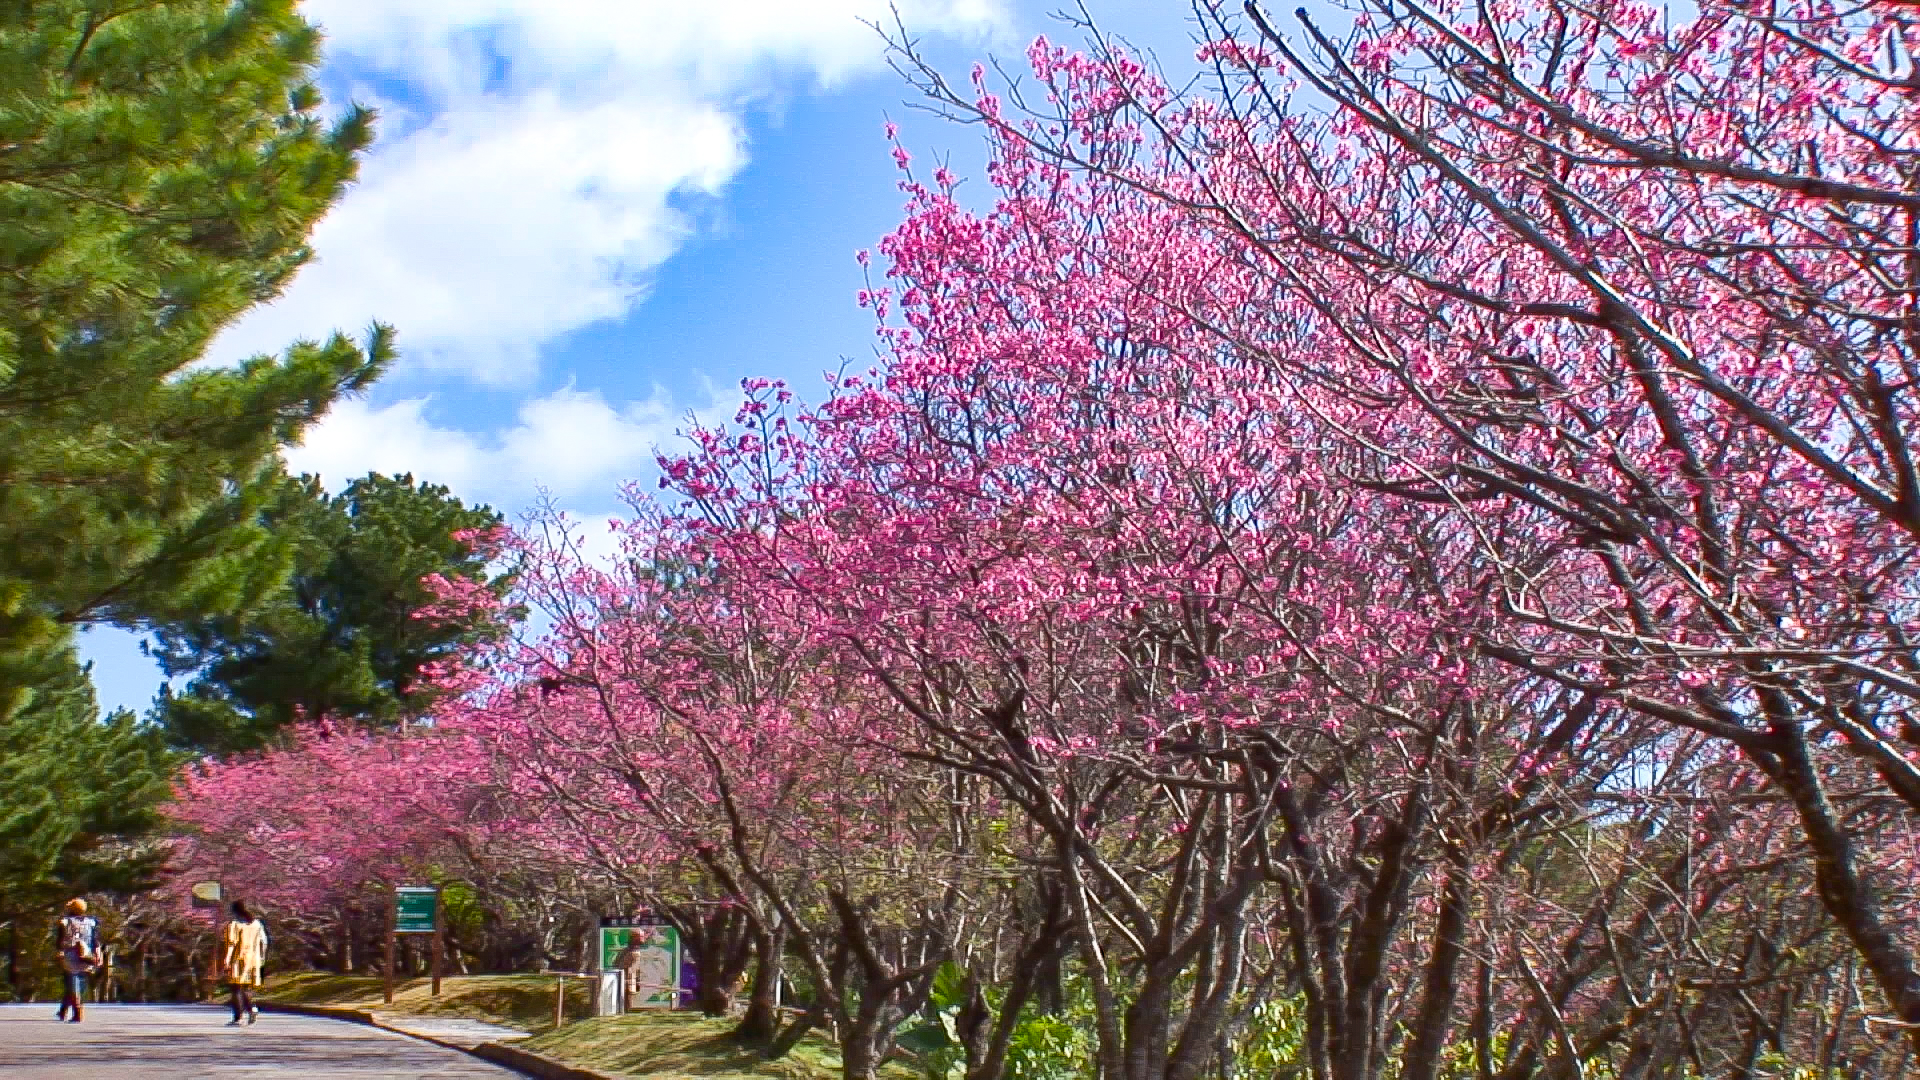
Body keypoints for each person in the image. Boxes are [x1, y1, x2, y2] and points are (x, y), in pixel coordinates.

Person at [217, 900, 269, 1025]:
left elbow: (231, 944)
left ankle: (238, 1018)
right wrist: (261, 957)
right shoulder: (257, 924)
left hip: (238, 959)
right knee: (245, 988)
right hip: (254, 959)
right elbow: (264, 942)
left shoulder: (234, 925)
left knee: (236, 988)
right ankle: (252, 1009)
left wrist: (226, 960)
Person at [53, 898, 102, 1023]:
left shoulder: (65, 921)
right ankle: (63, 1011)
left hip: (70, 956)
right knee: (74, 984)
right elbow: (96, 940)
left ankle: (78, 1013)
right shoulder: (91, 922)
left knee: (72, 983)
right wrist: (98, 954)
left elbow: (60, 940)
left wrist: (59, 951)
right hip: (86, 956)